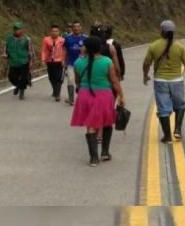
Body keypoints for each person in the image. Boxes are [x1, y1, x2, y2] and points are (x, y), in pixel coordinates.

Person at [70, 36, 125, 167]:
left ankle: (93, 158)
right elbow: (114, 81)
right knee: (107, 122)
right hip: (104, 95)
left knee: (90, 125)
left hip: (85, 95)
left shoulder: (78, 62)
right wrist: (121, 96)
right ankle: (105, 152)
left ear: (86, 48)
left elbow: (77, 82)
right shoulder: (107, 61)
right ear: (100, 47)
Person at [143, 20, 185, 143]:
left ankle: (167, 136)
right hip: (177, 81)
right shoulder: (179, 46)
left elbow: (146, 63)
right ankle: (177, 130)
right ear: (173, 32)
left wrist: (145, 75)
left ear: (161, 32)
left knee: (163, 108)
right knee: (180, 106)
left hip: (160, 81)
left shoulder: (154, 46)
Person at [2, 22, 35, 100]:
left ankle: (22, 93)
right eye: (15, 29)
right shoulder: (8, 39)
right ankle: (18, 86)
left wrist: (31, 61)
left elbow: (31, 51)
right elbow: (5, 50)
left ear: (22, 30)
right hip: (13, 62)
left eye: (18, 29)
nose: (16, 31)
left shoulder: (27, 39)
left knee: (23, 78)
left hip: (24, 61)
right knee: (11, 77)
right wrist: (5, 59)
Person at [63, 21, 88, 105]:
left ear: (81, 28)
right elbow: (65, 50)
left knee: (82, 82)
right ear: (72, 28)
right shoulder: (67, 38)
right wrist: (64, 61)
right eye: (75, 27)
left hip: (83, 63)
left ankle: (82, 98)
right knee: (70, 80)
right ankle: (71, 99)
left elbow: (89, 51)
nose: (76, 28)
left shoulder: (86, 38)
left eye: (78, 26)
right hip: (71, 63)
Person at [41, 24, 66, 102]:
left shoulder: (62, 40)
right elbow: (43, 50)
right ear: (50, 32)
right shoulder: (46, 40)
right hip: (49, 61)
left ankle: (57, 94)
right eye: (53, 31)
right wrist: (43, 59)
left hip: (59, 61)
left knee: (58, 78)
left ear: (59, 32)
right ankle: (55, 90)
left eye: (56, 31)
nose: (55, 33)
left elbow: (65, 51)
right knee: (51, 78)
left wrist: (64, 60)